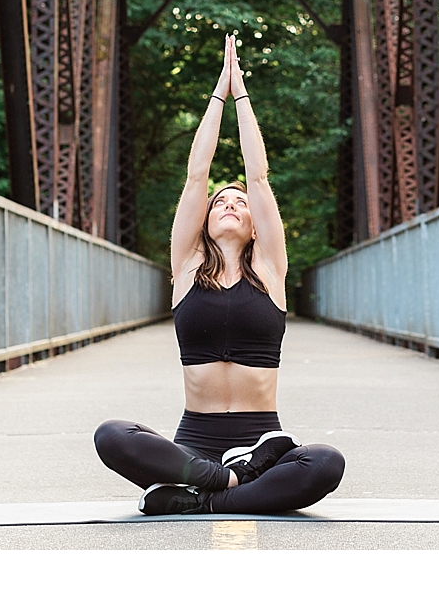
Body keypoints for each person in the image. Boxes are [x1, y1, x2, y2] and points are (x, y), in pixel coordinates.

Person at [93, 33, 345, 515]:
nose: (230, 203)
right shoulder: (187, 269)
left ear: (255, 226)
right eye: (219, 202)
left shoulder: (271, 269)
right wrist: (217, 94)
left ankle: (200, 499)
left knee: (325, 463)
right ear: (205, 221)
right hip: (193, 445)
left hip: (261, 439)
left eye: (240, 203)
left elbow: (259, 175)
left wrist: (241, 94)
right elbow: (195, 173)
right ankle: (230, 483)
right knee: (112, 436)